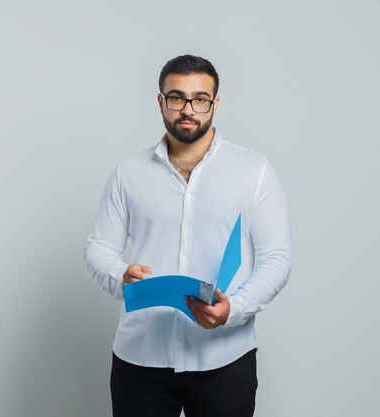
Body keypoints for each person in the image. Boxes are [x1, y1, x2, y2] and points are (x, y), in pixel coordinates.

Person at [83, 54, 291, 417]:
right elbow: (99, 247)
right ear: (160, 101)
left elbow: (276, 258)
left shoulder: (253, 171)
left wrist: (234, 310)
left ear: (215, 103)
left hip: (225, 358)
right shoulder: (128, 173)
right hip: (140, 356)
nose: (188, 109)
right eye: (176, 97)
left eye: (200, 99)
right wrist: (122, 276)